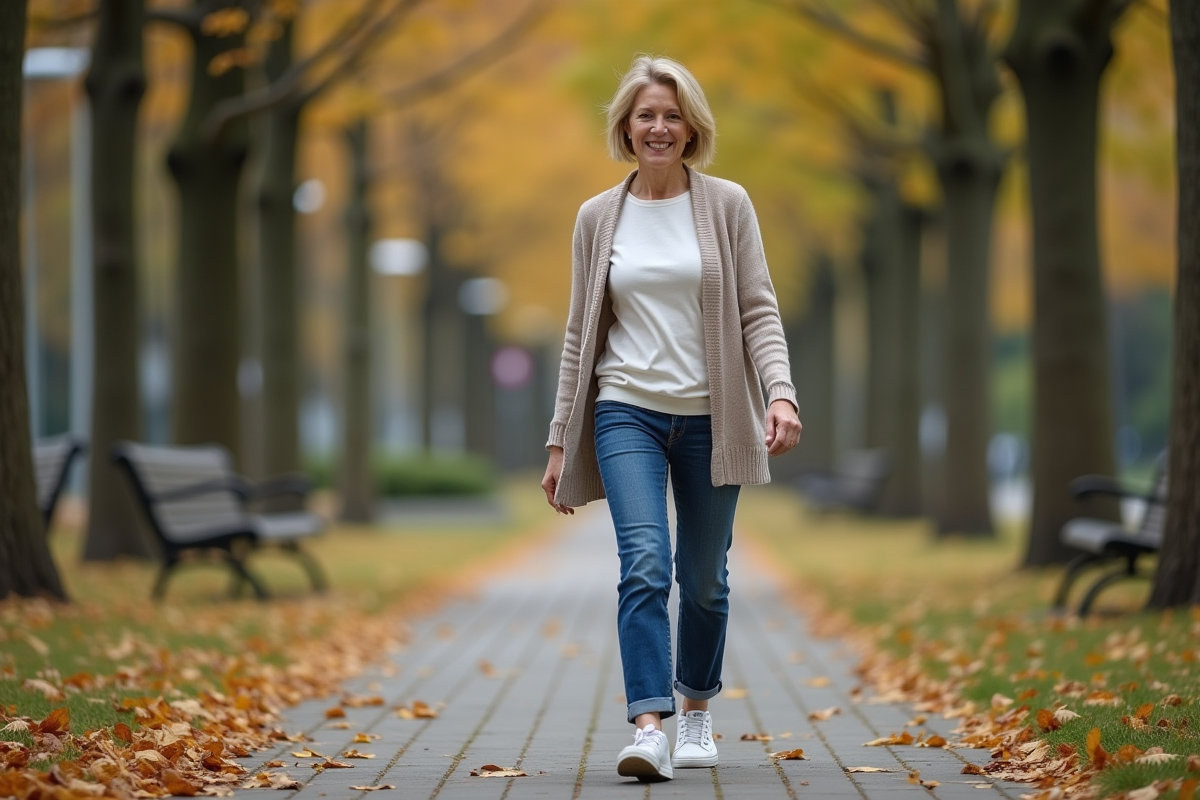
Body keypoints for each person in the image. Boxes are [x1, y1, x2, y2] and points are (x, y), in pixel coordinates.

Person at [540, 55, 802, 783]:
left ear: (692, 128)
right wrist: (561, 437)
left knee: (705, 579)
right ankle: (649, 723)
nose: (659, 126)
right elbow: (577, 335)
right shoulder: (598, 217)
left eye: (672, 114)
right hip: (627, 411)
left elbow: (759, 309)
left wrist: (779, 391)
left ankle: (695, 714)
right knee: (645, 564)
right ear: (627, 125)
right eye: (646, 114)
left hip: (713, 416)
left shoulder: (727, 205)